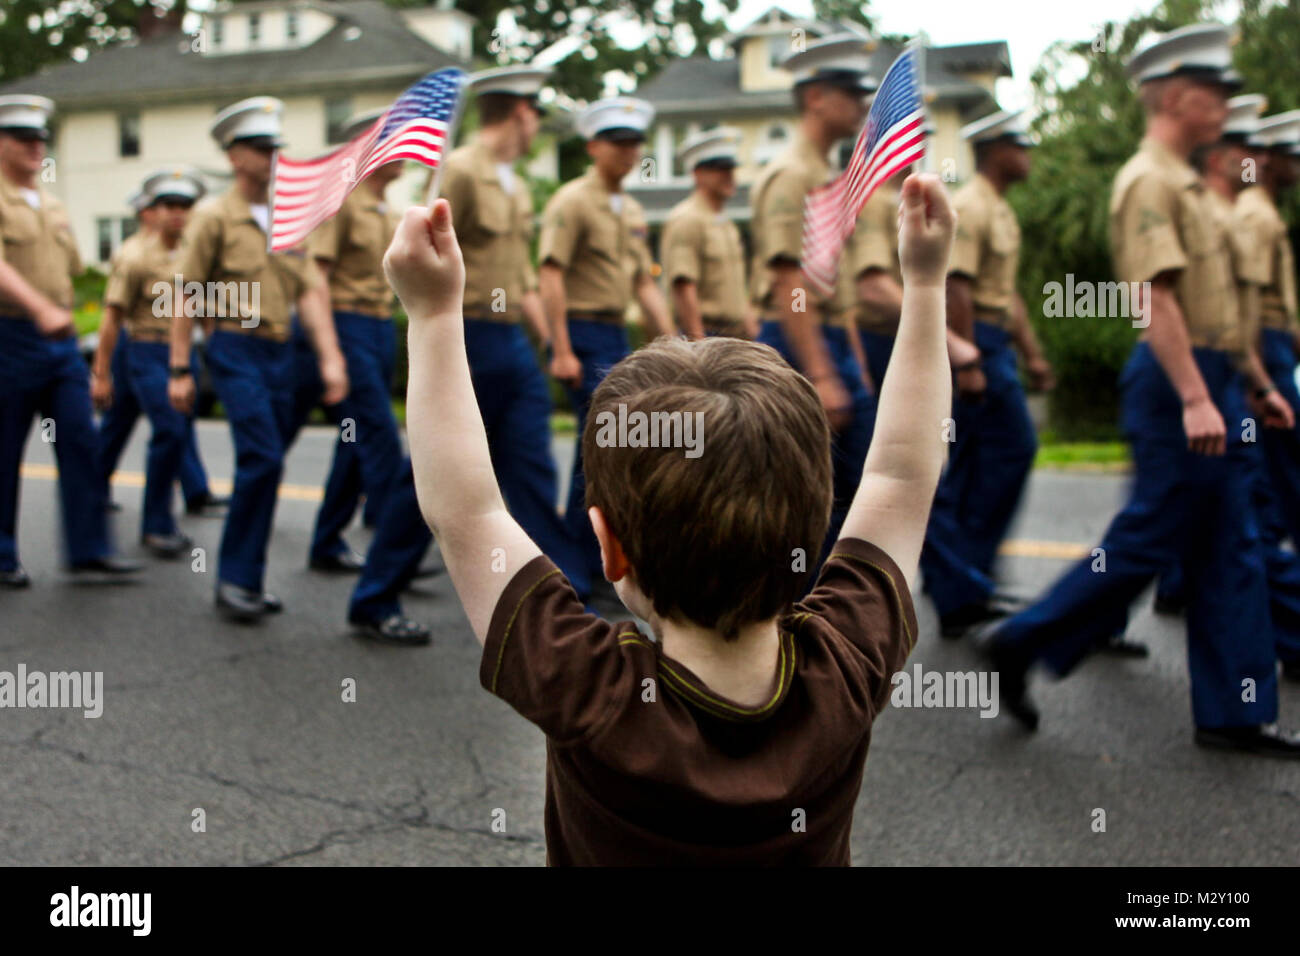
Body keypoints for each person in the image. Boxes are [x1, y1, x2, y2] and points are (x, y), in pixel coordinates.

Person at [388, 169, 955, 864]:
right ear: (813, 533)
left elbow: (464, 511)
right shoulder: (846, 663)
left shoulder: (590, 690)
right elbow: (901, 475)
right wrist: (925, 288)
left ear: (609, 548)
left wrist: (433, 314)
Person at [981, 24, 1300, 756]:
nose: (1224, 105)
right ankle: (1022, 639)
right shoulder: (1148, 181)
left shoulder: (1187, 183)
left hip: (1207, 374)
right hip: (1174, 380)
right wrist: (1194, 396)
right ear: (1174, 94)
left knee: (1229, 545)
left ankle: (1234, 711)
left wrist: (1250, 383)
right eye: (1213, 92)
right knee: (1153, 538)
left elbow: (1220, 310)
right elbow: (1154, 300)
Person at [347, 66, 587, 643]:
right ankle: (375, 596)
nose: (538, 126)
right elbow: (427, 253)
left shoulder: (516, 182)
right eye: (536, 115)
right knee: (427, 474)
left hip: (510, 342)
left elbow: (523, 276)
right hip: (469, 336)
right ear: (521, 113)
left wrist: (553, 341)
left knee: (530, 467)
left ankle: (567, 593)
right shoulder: (461, 171)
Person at [168, 96, 349, 622]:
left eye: (276, 147)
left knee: (268, 463)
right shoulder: (213, 219)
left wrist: (331, 358)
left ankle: (247, 575)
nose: (272, 157)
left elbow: (312, 290)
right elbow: (185, 292)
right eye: (259, 147)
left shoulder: (290, 218)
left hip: (280, 349)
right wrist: (180, 368)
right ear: (233, 157)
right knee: (264, 457)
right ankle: (235, 580)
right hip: (233, 346)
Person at [0, 94, 141, 587]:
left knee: (80, 439)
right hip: (11, 334)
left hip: (59, 342)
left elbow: (74, 270)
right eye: (23, 138)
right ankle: (1, 555)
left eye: (41, 138)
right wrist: (37, 306)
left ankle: (89, 549)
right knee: (6, 448)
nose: (36, 147)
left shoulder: (55, 205)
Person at [749, 33, 877, 566]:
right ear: (815, 97)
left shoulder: (825, 173)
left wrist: (857, 364)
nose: (861, 104)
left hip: (827, 339)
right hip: (798, 341)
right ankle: (795, 616)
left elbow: (831, 284)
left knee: (848, 488)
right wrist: (822, 375)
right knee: (807, 496)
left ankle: (828, 616)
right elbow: (790, 284)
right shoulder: (791, 174)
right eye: (848, 92)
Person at [540, 95, 674, 596]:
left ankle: (597, 561)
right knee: (600, 448)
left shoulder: (632, 208)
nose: (628, 151)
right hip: (582, 330)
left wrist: (672, 342)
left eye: (634, 142)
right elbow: (550, 272)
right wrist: (560, 348)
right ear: (593, 146)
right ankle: (577, 570)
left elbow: (643, 283)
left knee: (613, 448)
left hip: (616, 333)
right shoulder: (572, 201)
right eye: (618, 142)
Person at [940, 110, 1053, 586]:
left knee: (972, 460)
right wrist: (968, 360)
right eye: (1019, 146)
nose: (1027, 154)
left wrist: (1032, 353)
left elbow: (1007, 294)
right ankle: (970, 568)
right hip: (977, 342)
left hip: (995, 340)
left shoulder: (1000, 208)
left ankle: (965, 577)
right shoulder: (971, 204)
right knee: (1013, 447)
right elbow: (956, 286)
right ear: (996, 152)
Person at [293, 107, 406, 575]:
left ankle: (326, 542)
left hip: (378, 328)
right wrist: (331, 354)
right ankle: (397, 553)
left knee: (353, 442)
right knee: (381, 443)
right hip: (346, 325)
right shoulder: (339, 199)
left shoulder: (387, 210)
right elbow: (313, 279)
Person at [91, 167, 210, 558]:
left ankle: (92, 490)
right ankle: (156, 525)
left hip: (181, 352)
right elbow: (111, 319)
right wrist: (101, 373)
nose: (177, 213)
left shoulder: (196, 252)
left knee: (126, 424)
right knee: (170, 430)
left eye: (185, 206)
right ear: (153, 211)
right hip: (145, 350)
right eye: (169, 206)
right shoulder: (135, 256)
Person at [660, 127, 755, 340]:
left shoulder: (725, 223)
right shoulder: (687, 218)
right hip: (707, 334)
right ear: (697, 173)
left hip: (733, 335)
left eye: (730, 169)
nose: (729, 176)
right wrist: (698, 344)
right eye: (720, 170)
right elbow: (684, 286)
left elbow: (738, 291)